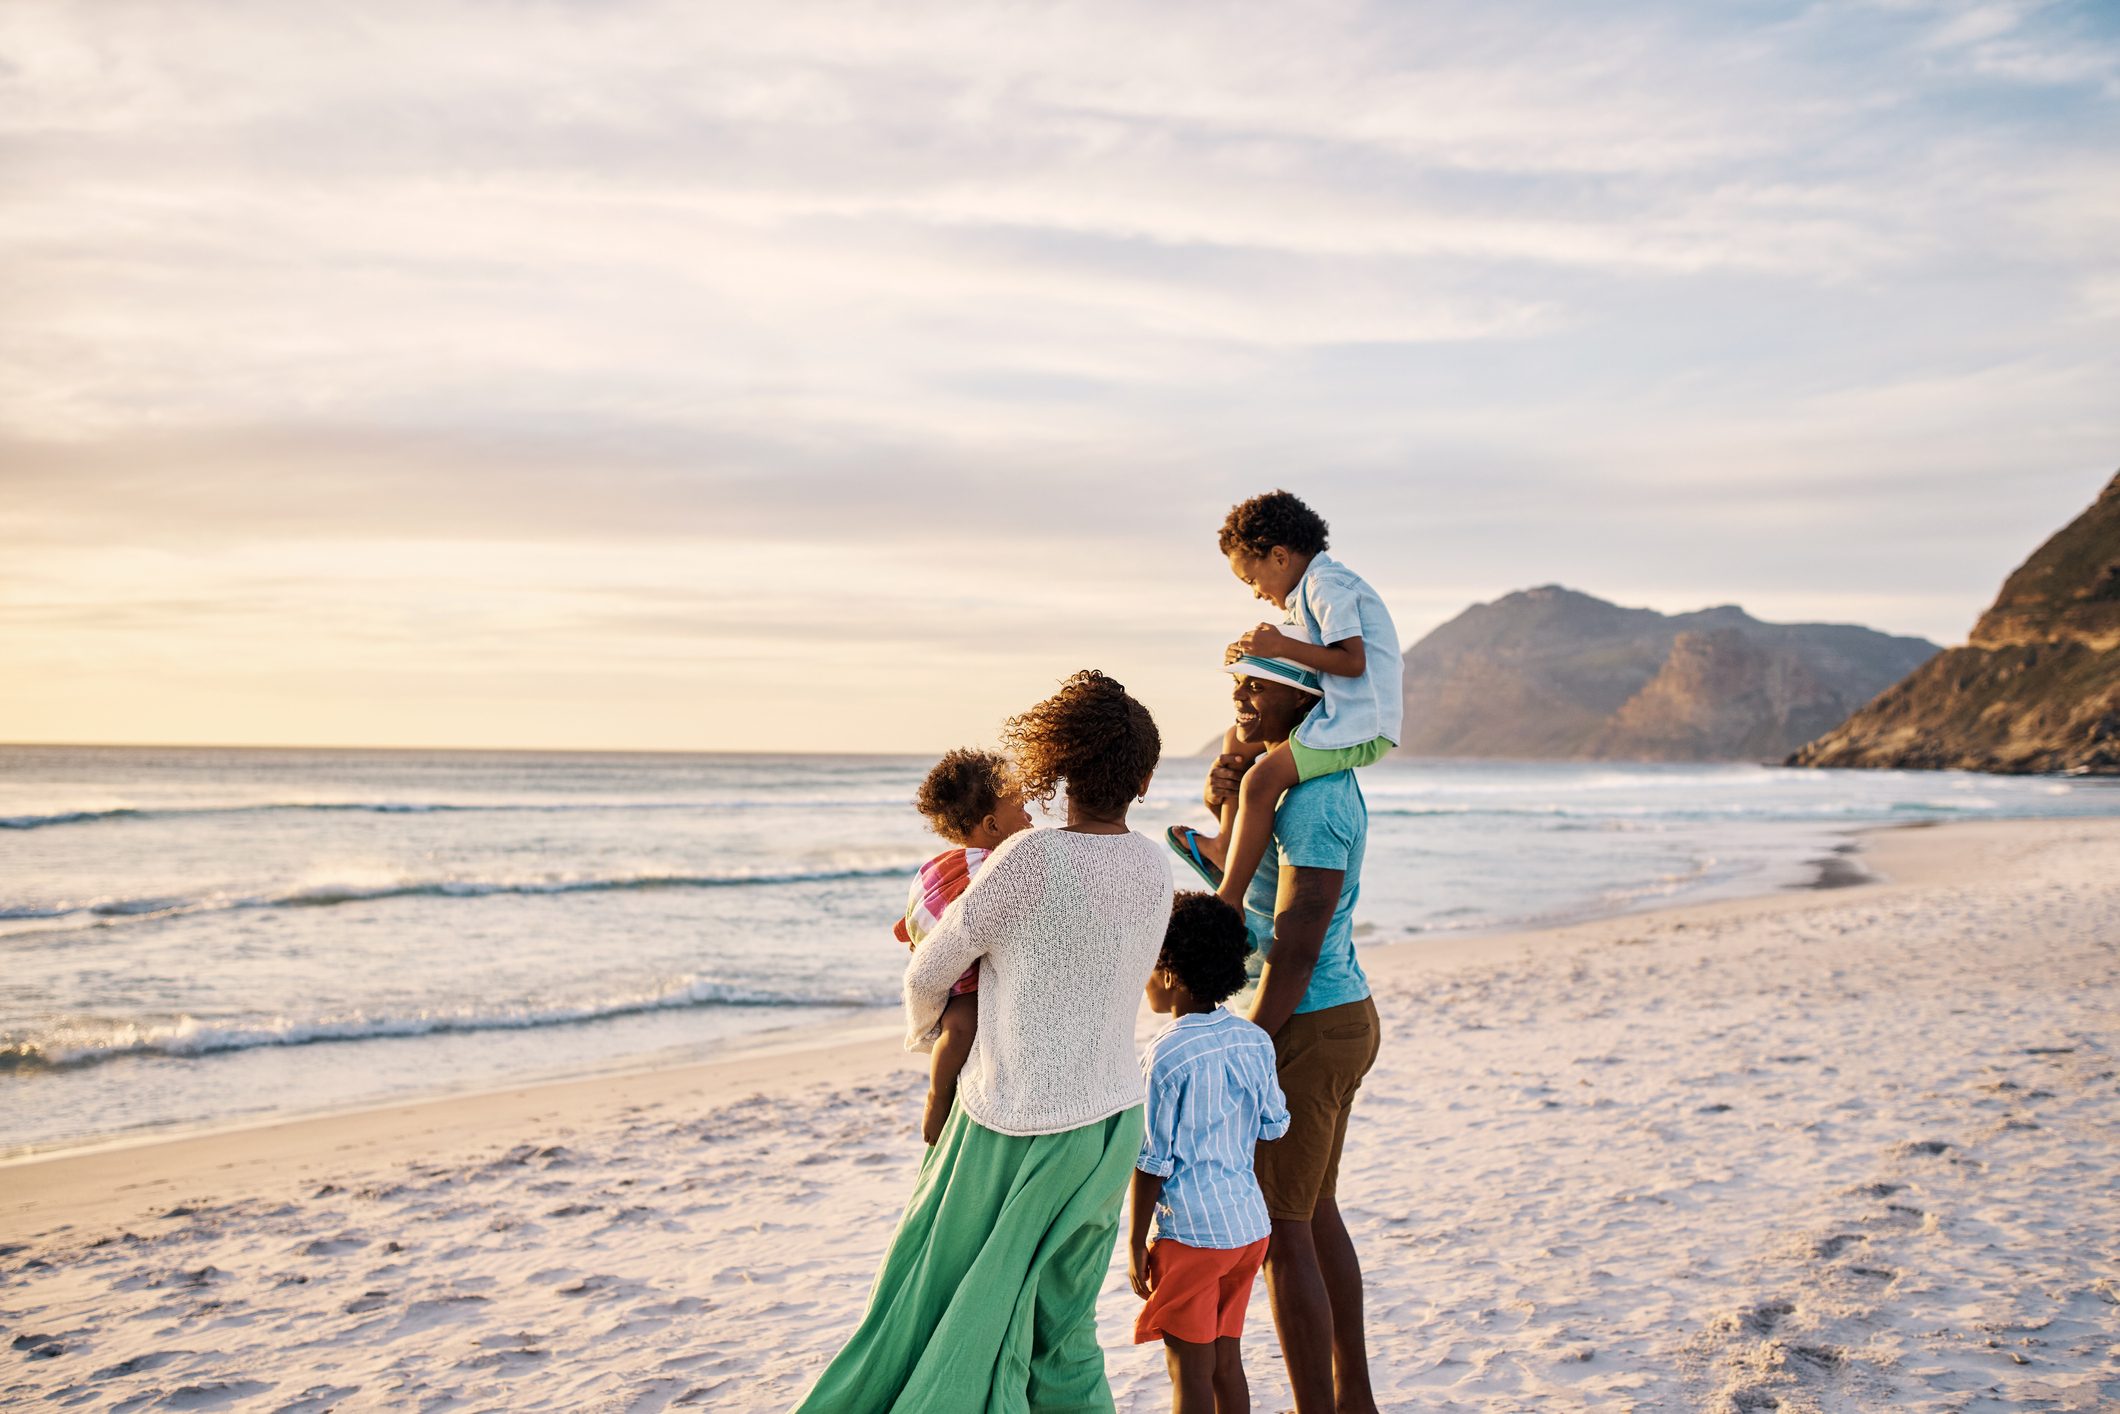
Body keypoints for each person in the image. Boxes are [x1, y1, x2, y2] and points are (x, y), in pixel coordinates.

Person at [794, 670, 1172, 1414]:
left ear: (1056, 770)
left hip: (1011, 1122)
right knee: (1062, 1326)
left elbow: (928, 970)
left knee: (946, 1299)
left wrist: (936, 1029)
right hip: (1112, 1121)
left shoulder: (1025, 859)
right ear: (1147, 780)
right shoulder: (1156, 865)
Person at [1178, 640, 1383, 1414]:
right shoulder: (1282, 785)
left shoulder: (1320, 797)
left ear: (1306, 702)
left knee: (1281, 1230)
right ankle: (1351, 1400)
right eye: (1235, 685)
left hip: (1309, 1022)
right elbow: (1254, 903)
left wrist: (1243, 1051)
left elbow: (1295, 945)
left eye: (1258, 688)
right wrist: (1224, 812)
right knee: (1310, 1212)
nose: (1239, 699)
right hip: (1317, 1017)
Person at [1172, 490, 1402, 919]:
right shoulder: (1308, 592)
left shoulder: (1326, 585)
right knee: (1235, 740)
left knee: (1259, 782)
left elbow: (1352, 662)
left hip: (1359, 724)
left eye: (1251, 580)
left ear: (1279, 556)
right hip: (1337, 715)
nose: (1256, 594)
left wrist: (1276, 643)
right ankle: (1225, 842)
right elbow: (1293, 659)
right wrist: (1248, 654)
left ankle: (1230, 898)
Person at [1129, 892, 1290, 1414]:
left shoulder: (1165, 1054)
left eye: (1149, 966)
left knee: (1188, 1374)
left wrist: (1134, 1241)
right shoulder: (1253, 1041)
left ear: (1171, 975)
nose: (1145, 980)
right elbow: (1274, 1125)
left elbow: (1152, 1160)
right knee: (1226, 1363)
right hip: (1248, 1231)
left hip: (1193, 1237)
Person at [891, 747, 1033, 1145]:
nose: (1029, 818)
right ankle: (938, 1094)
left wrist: (913, 937)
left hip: (936, 948)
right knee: (961, 1022)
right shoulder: (993, 868)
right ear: (991, 825)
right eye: (1021, 810)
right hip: (962, 973)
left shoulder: (937, 864)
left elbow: (918, 908)